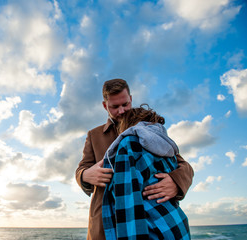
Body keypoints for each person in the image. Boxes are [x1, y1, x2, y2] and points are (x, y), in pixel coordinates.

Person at [75, 79, 194, 240]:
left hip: (148, 221)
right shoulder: (94, 135)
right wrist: (85, 175)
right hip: (104, 226)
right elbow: (81, 168)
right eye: (115, 107)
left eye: (125, 104)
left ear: (130, 99)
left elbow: (182, 164)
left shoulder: (148, 127)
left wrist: (176, 182)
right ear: (105, 106)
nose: (122, 111)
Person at [102, 105, 190, 239]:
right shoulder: (165, 145)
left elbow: (129, 208)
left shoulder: (130, 143)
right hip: (175, 223)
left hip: (154, 230)